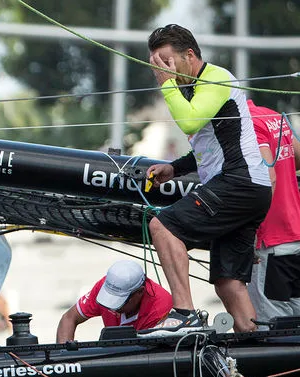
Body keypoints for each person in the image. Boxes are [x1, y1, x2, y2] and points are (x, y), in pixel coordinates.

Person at [145, 24, 272, 332]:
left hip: (239, 182)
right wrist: (174, 168)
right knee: (227, 282)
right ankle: (254, 344)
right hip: (248, 187)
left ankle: (185, 314)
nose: (164, 70)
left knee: (163, 227)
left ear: (189, 55)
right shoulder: (193, 89)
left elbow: (189, 121)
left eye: (167, 62)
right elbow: (210, 146)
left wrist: (166, 84)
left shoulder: (215, 78)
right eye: (157, 65)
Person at [246, 100, 300, 319]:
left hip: (270, 241)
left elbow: (268, 178)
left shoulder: (246, 123)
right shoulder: (271, 115)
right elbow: (297, 156)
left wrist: (250, 234)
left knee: (272, 326)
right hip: (295, 234)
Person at [56, 260, 173, 342]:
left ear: (140, 292)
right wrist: (64, 358)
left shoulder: (160, 307)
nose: (112, 307)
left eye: (120, 301)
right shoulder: (106, 286)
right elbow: (69, 318)